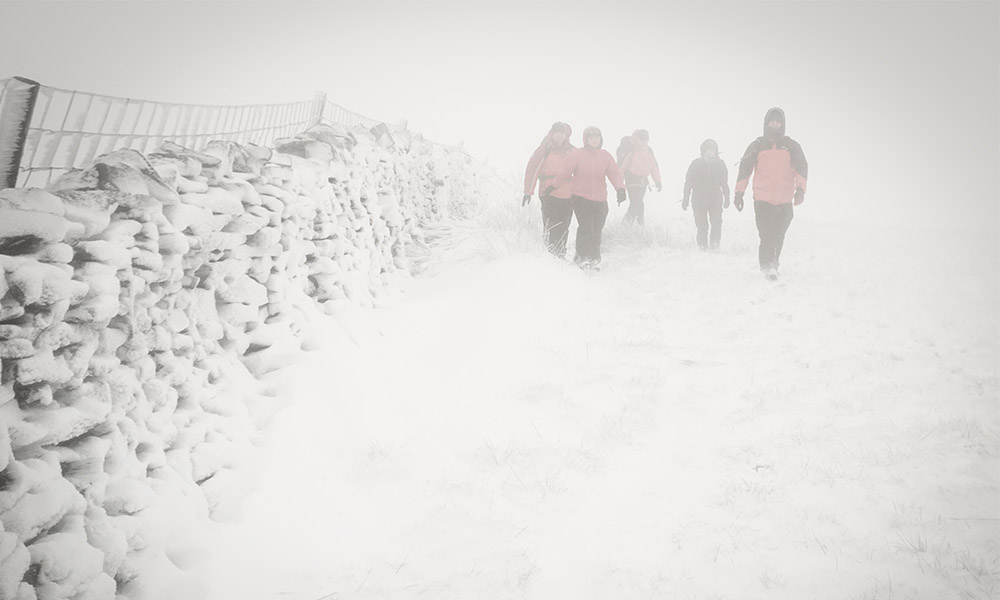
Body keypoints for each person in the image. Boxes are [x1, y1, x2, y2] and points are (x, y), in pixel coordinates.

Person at [733, 107, 808, 280]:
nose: (775, 124)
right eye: (772, 121)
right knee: (766, 235)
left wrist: (801, 190)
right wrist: (739, 193)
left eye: (778, 121)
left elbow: (802, 168)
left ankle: (774, 263)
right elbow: (745, 169)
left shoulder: (791, 146)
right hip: (763, 199)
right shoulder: (757, 145)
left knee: (779, 235)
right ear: (766, 123)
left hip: (784, 200)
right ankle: (767, 267)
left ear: (782, 124)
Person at [564, 126, 626, 270]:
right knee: (587, 227)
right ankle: (582, 256)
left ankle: (594, 257)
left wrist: (620, 189)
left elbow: (614, 174)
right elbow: (565, 173)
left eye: (597, 136)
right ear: (586, 138)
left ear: (601, 139)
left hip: (600, 199)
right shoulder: (577, 154)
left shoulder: (605, 156)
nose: (594, 139)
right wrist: (555, 186)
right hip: (580, 197)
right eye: (591, 136)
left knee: (597, 228)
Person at [523, 122, 575, 258]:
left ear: (566, 135)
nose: (559, 136)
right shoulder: (543, 149)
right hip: (547, 192)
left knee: (564, 224)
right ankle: (550, 253)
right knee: (550, 224)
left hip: (568, 194)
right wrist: (528, 191)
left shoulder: (572, 151)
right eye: (557, 132)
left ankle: (560, 252)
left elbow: (582, 172)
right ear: (552, 133)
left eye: (562, 133)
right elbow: (532, 170)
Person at [682, 139, 731, 250]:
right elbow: (689, 182)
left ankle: (714, 246)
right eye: (708, 149)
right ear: (703, 150)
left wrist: (727, 197)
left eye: (713, 149)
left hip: (715, 198)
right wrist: (685, 198)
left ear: (716, 151)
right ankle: (702, 247)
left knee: (716, 223)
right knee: (701, 224)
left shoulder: (720, 164)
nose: (710, 151)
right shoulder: (696, 164)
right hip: (699, 199)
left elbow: (724, 182)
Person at [618, 129, 662, 225]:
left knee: (639, 203)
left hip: (643, 181)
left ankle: (639, 223)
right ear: (635, 139)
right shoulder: (631, 150)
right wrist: (619, 185)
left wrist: (658, 181)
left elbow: (653, 167)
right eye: (641, 139)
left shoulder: (649, 151)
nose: (643, 142)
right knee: (636, 202)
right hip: (631, 179)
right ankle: (626, 224)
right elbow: (622, 168)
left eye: (645, 140)